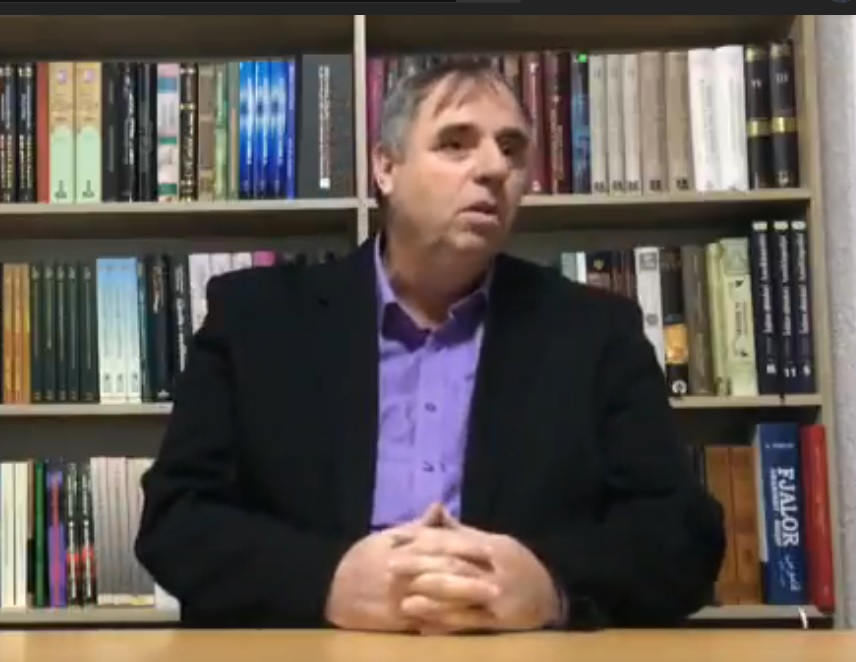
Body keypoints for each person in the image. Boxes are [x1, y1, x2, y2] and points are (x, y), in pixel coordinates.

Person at [134, 58, 726, 634]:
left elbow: (682, 535)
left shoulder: (597, 332)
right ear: (385, 168)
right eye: (456, 143)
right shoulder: (256, 320)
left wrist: (551, 585)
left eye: (512, 148)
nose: (494, 167)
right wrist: (326, 582)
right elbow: (176, 521)